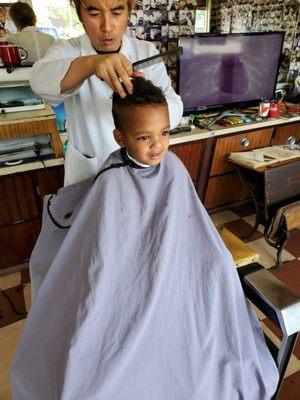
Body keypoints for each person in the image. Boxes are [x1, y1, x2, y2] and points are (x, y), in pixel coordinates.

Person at [11, 78, 278, 399]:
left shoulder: (174, 167)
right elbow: (104, 252)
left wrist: (208, 259)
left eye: (165, 133)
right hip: (126, 276)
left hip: (178, 267)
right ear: (120, 137)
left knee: (216, 271)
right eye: (144, 137)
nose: (158, 146)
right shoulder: (112, 182)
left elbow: (190, 226)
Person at [30, 0, 183, 186]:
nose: (107, 27)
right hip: (90, 173)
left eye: (117, 13)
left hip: (140, 173)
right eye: (94, 14)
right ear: (79, 14)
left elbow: (174, 109)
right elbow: (39, 81)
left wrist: (143, 95)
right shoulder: (68, 50)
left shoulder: (145, 51)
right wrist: (90, 64)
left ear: (129, 11)